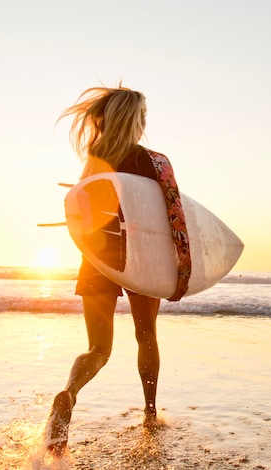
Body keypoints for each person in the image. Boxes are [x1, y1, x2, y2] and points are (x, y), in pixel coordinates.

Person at [45, 86, 192, 457]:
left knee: (98, 348)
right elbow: (175, 217)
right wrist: (182, 271)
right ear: (136, 120)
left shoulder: (95, 160)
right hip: (143, 260)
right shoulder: (156, 162)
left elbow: (84, 216)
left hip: (99, 260)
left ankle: (69, 393)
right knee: (146, 335)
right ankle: (149, 413)